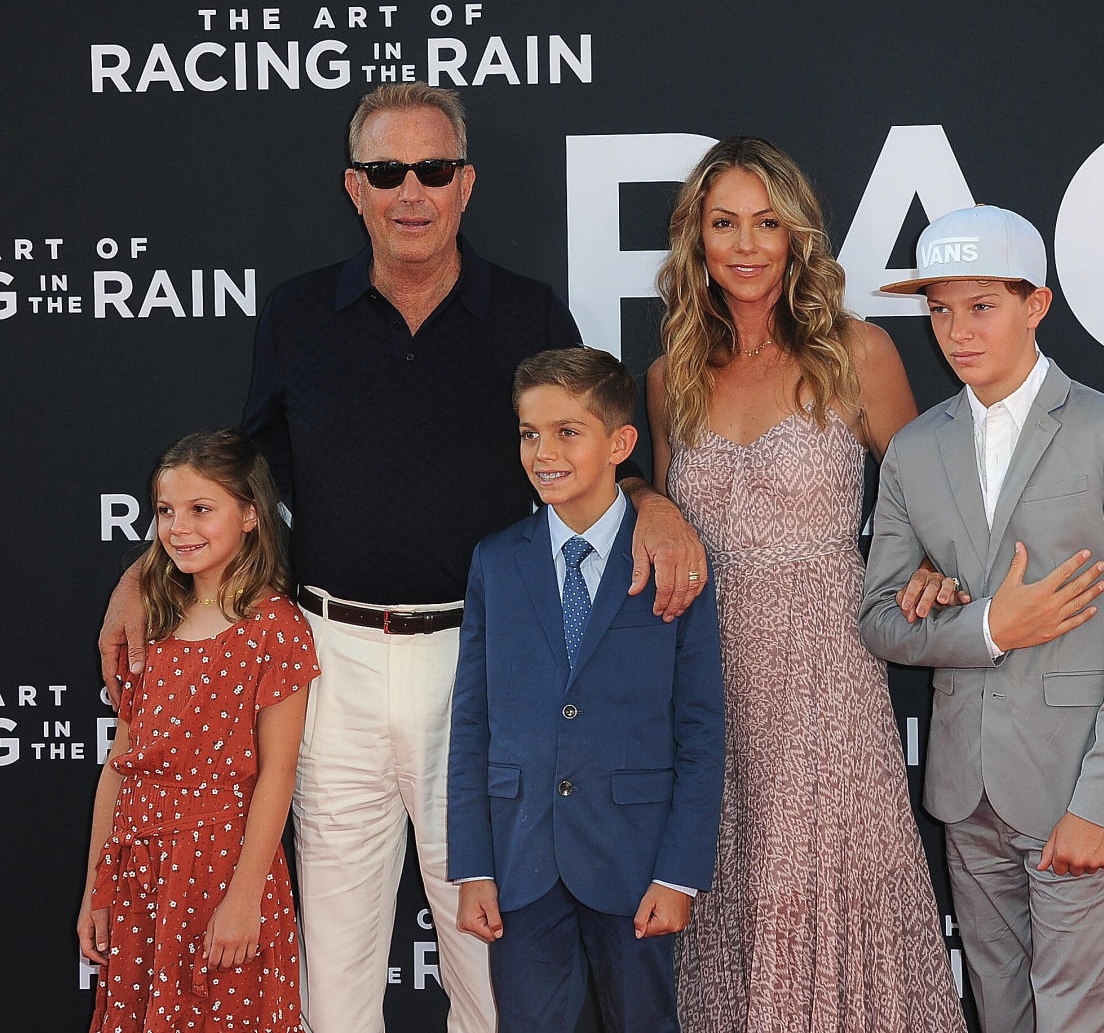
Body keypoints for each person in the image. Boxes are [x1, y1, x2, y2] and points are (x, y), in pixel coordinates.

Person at [96, 82, 706, 1033]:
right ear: (355, 187)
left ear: (465, 185)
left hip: (487, 668)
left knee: (484, 958)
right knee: (336, 967)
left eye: (433, 169)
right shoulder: (300, 316)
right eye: (387, 172)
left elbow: (587, 452)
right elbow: (241, 473)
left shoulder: (530, 313)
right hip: (329, 663)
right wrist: (145, 569)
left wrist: (652, 500)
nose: (410, 191)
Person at [646, 136, 965, 1032]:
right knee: (733, 893)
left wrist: (936, 567)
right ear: (696, 240)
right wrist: (642, 495)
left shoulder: (855, 352)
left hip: (827, 670)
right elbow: (659, 510)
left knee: (811, 888)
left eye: (767, 222)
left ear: (796, 237)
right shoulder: (670, 378)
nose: (746, 244)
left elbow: (924, 506)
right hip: (709, 675)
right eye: (723, 223)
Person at [859, 204, 1104, 1032]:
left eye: (980, 305)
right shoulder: (916, 448)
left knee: (1079, 1016)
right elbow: (880, 620)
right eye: (938, 309)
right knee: (1001, 1012)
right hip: (967, 793)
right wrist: (990, 627)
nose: (956, 331)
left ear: (1036, 304)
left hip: (1075, 784)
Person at [447, 346, 725, 1033]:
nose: (544, 451)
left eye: (568, 431)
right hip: (522, 860)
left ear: (620, 442)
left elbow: (701, 727)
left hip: (635, 861)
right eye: (529, 432)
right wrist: (475, 864)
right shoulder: (496, 561)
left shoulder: (675, 559)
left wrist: (679, 874)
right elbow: (472, 721)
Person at [78, 429, 316, 1033]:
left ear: (251, 514)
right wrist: (95, 885)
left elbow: (277, 773)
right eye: (165, 512)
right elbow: (118, 767)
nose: (178, 528)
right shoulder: (151, 620)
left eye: (200, 509)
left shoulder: (275, 626)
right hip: (138, 873)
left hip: (221, 867)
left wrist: (244, 897)